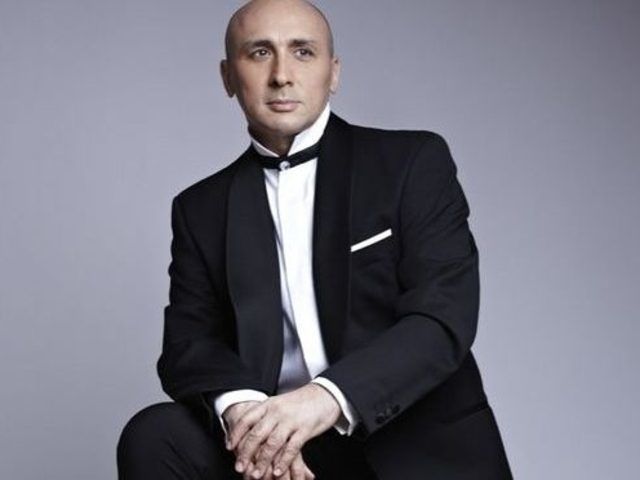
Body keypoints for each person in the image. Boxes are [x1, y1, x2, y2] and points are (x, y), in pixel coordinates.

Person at [117, 0, 513, 478]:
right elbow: (190, 343)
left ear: (334, 72)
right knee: (155, 435)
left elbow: (441, 317)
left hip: (411, 444)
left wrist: (322, 399)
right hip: (282, 455)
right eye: (260, 53)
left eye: (302, 52)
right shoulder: (200, 208)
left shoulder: (411, 162)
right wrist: (248, 418)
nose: (282, 75)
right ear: (228, 77)